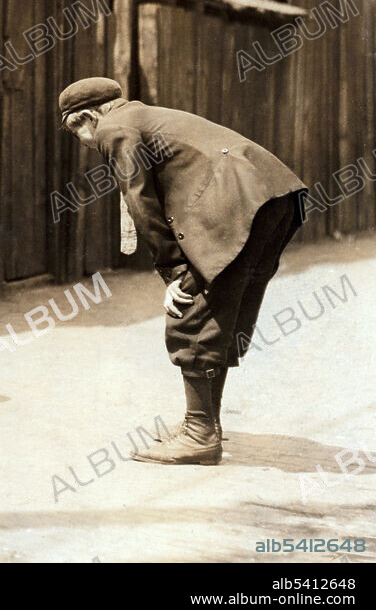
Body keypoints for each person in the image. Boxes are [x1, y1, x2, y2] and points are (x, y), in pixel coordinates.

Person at [59, 77, 307, 465]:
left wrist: (173, 269)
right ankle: (205, 425)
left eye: (77, 133)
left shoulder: (112, 128)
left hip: (236, 202)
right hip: (274, 197)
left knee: (189, 309)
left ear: (86, 117)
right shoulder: (144, 116)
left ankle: (199, 434)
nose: (84, 142)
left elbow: (138, 197)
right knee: (219, 312)